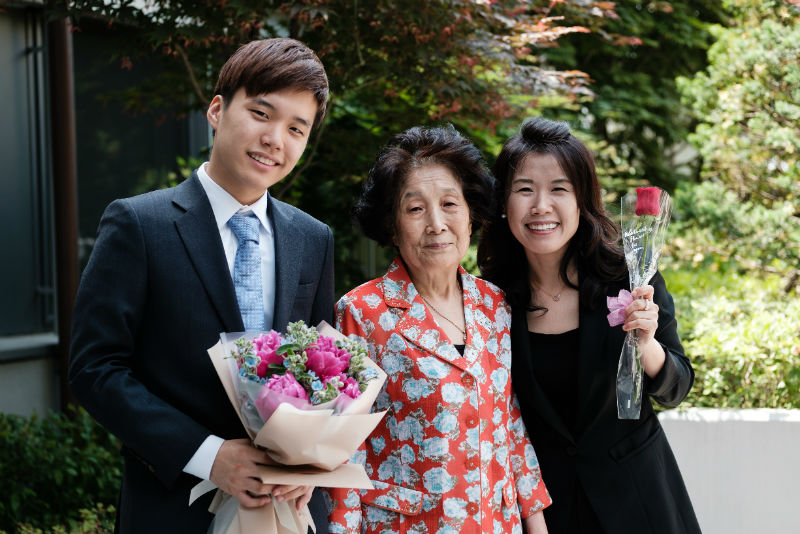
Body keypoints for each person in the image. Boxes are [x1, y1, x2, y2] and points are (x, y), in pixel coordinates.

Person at [69, 38, 333, 533]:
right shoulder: (139, 224)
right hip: (174, 508)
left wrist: (313, 462)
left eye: (296, 128)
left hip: (289, 510)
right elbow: (94, 369)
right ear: (217, 110)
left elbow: (325, 370)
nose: (275, 138)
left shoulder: (312, 237)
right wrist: (208, 455)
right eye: (261, 113)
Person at [477, 117, 700, 533]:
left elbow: (677, 387)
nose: (541, 206)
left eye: (559, 189)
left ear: (582, 200)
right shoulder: (489, 299)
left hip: (638, 503)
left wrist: (647, 344)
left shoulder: (630, 277)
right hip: (544, 511)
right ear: (503, 203)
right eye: (524, 189)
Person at [326, 125, 551, 534]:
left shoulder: (495, 304)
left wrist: (535, 521)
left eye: (449, 204)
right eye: (415, 209)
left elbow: (508, 420)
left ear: (471, 215)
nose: (436, 224)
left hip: (496, 523)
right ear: (392, 226)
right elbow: (344, 447)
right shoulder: (361, 312)